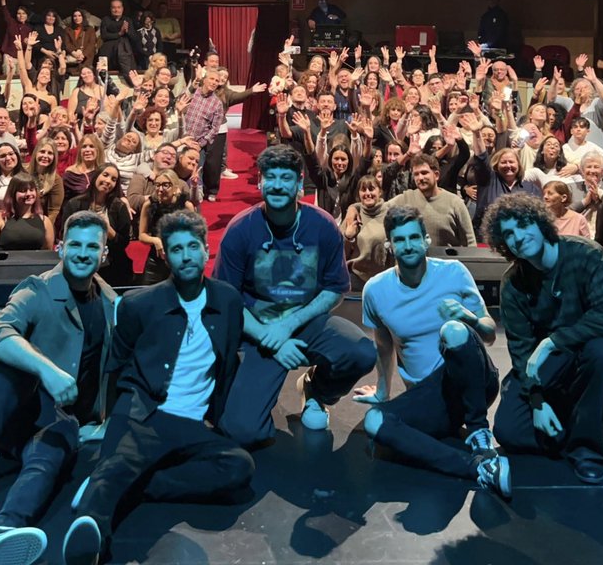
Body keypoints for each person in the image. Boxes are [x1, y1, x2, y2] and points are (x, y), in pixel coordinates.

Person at [60, 212, 255, 565]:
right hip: (148, 413)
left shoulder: (228, 300)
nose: (185, 256)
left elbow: (229, 360)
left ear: (205, 249)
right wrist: (113, 422)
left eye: (192, 247)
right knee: (115, 467)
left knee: (239, 468)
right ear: (165, 255)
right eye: (176, 249)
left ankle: (133, 486)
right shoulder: (139, 304)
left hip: (196, 424)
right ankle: (88, 536)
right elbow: (118, 366)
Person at [0, 213, 118, 565]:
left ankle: (2, 532)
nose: (83, 253)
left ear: (104, 253)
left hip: (56, 421)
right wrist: (48, 371)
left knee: (53, 450)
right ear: (60, 247)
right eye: (75, 244)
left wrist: (106, 420)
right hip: (13, 409)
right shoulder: (37, 288)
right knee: (17, 367)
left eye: (93, 246)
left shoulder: (109, 302)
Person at [214, 143, 376, 445]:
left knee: (362, 353)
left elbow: (335, 289)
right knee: (243, 432)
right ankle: (242, 383)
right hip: (258, 330)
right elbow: (227, 300)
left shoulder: (323, 226)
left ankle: (317, 389)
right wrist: (271, 339)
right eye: (270, 177)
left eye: (286, 178)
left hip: (307, 322)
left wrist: (289, 326)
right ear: (260, 182)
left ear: (300, 183)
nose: (277, 185)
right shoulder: (239, 230)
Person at [354, 207, 511, 499]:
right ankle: (477, 469)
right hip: (431, 398)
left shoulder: (453, 273)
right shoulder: (375, 290)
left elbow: (488, 334)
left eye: (415, 237)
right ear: (390, 245)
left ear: (426, 240)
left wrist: (471, 317)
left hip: (472, 383)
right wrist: (382, 392)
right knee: (374, 421)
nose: (409, 245)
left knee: (453, 330)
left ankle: (479, 432)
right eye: (400, 240)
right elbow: (383, 344)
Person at [484, 193, 603, 485]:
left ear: (541, 222)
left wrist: (553, 341)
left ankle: (587, 450)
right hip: (553, 363)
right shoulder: (513, 283)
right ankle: (575, 423)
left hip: (595, 348)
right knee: (508, 432)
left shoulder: (587, 254)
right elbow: (520, 350)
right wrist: (538, 401)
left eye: (523, 225)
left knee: (602, 354)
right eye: (509, 234)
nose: (518, 237)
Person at [389, 153, 476, 248]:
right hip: (415, 261)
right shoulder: (406, 198)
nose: (420, 178)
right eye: (416, 174)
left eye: (424, 173)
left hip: (446, 261)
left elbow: (470, 241)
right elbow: (380, 210)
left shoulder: (454, 202)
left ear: (436, 175)